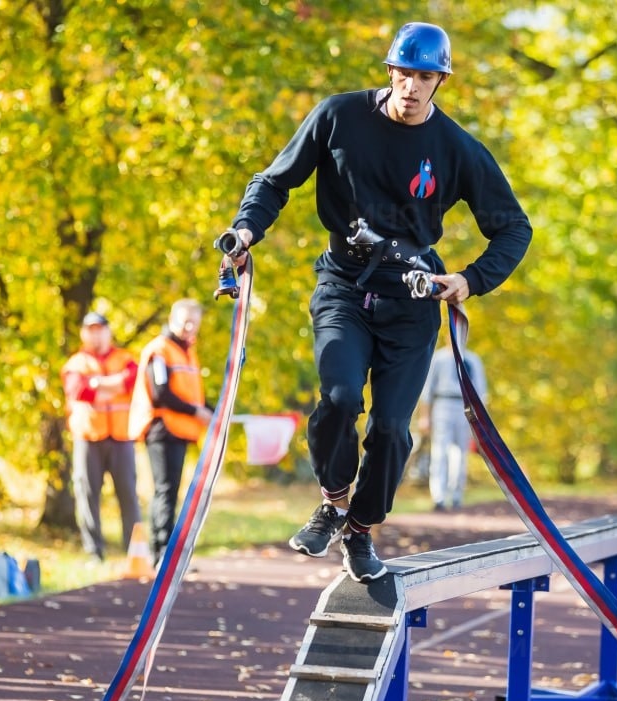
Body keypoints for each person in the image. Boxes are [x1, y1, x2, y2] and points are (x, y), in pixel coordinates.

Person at [221, 22, 531, 582]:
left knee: (391, 428)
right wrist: (246, 233)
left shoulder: (457, 149)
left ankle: (360, 530)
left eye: (425, 77)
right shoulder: (338, 117)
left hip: (412, 301)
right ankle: (334, 501)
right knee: (339, 399)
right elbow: (274, 182)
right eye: (404, 74)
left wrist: (470, 279)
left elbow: (513, 229)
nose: (413, 87)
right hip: (343, 283)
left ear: (440, 82)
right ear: (389, 72)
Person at [129, 299, 213, 562]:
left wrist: (212, 410)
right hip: (162, 429)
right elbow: (160, 393)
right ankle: (161, 550)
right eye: (185, 321)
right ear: (173, 319)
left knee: (172, 490)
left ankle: (168, 550)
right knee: (165, 490)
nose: (190, 327)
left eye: (194, 323)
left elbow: (193, 395)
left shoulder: (187, 351)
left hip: (181, 429)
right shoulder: (161, 350)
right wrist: (196, 412)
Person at [62, 311, 141, 561]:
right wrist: (112, 386)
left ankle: (134, 549)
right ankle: (94, 551)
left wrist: (98, 383)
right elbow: (79, 391)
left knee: (128, 494)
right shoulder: (75, 363)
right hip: (88, 437)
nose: (96, 334)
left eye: (100, 329)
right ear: (84, 333)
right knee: (87, 495)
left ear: (108, 330)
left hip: (121, 436)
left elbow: (133, 381)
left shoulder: (125, 358)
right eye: (91, 329)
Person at [418, 340, 488, 512]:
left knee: (460, 452)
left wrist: (480, 420)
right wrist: (424, 416)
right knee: (439, 451)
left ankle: (456, 495)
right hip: (443, 404)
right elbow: (427, 389)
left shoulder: (472, 359)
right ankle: (438, 496)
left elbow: (481, 391)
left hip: (464, 405)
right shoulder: (439, 358)